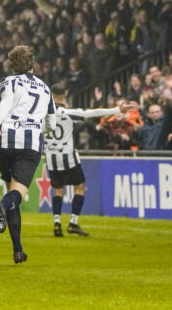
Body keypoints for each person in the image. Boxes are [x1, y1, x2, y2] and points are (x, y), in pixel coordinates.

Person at [0, 45, 55, 264]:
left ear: (12, 64)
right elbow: (51, 124)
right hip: (30, 144)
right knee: (17, 194)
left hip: (7, 139)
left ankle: (18, 251)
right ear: (32, 63)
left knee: (11, 191)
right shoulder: (46, 89)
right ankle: (2, 206)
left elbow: (6, 102)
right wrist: (37, 126)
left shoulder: (9, 82)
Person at [43, 83, 121, 237]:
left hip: (51, 157)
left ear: (51, 95)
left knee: (58, 189)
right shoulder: (67, 112)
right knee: (79, 186)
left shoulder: (42, 113)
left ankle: (57, 223)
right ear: (65, 93)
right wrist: (117, 109)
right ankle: (73, 222)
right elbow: (92, 113)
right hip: (68, 156)